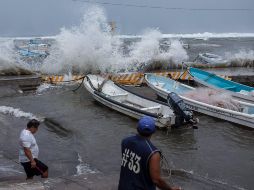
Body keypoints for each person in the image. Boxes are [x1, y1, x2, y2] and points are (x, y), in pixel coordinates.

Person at [118, 116, 181, 190]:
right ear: (153, 131)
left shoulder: (125, 141)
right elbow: (156, 180)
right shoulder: (153, 153)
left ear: (137, 128)